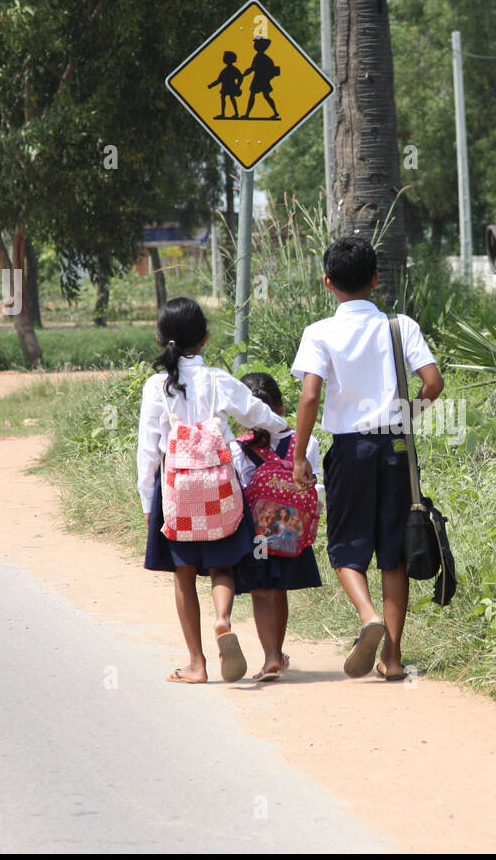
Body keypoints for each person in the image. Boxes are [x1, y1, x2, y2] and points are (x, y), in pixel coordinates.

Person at [290, 238, 444, 681]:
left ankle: (367, 615)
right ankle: (392, 660)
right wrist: (409, 411)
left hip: (350, 451)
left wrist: (299, 456)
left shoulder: (319, 333)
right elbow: (432, 382)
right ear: (376, 279)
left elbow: (311, 395)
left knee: (345, 548)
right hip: (395, 448)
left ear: (327, 282)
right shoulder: (401, 326)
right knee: (393, 553)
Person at [137, 298, 287, 684]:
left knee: (183, 574)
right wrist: (282, 425)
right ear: (204, 338)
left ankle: (197, 664)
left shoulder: (156, 387)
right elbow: (254, 412)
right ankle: (223, 619)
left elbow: (148, 450)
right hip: (220, 489)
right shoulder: (217, 379)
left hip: (177, 492)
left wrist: (148, 503)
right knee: (222, 565)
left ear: (159, 337)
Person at [232, 372, 323, 682]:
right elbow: (315, 485)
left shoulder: (239, 448)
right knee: (279, 589)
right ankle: (278, 651)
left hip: (256, 534)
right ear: (282, 408)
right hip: (290, 531)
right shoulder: (307, 442)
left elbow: (242, 489)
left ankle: (270, 656)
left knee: (260, 591)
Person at [242, 37, 280, 120]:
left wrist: (244, 75)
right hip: (261, 79)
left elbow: (252, 68)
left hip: (260, 79)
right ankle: (275, 112)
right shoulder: (259, 56)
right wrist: (244, 74)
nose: (255, 46)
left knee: (254, 95)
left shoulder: (261, 57)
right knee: (265, 96)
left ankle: (247, 114)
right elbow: (252, 68)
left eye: (256, 44)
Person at [207, 51, 242, 119]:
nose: (223, 59)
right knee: (223, 98)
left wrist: (237, 86)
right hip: (225, 87)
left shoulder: (233, 69)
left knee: (231, 98)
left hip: (231, 86)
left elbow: (240, 77)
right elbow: (219, 80)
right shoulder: (224, 70)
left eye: (225, 58)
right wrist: (211, 85)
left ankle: (236, 113)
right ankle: (223, 113)